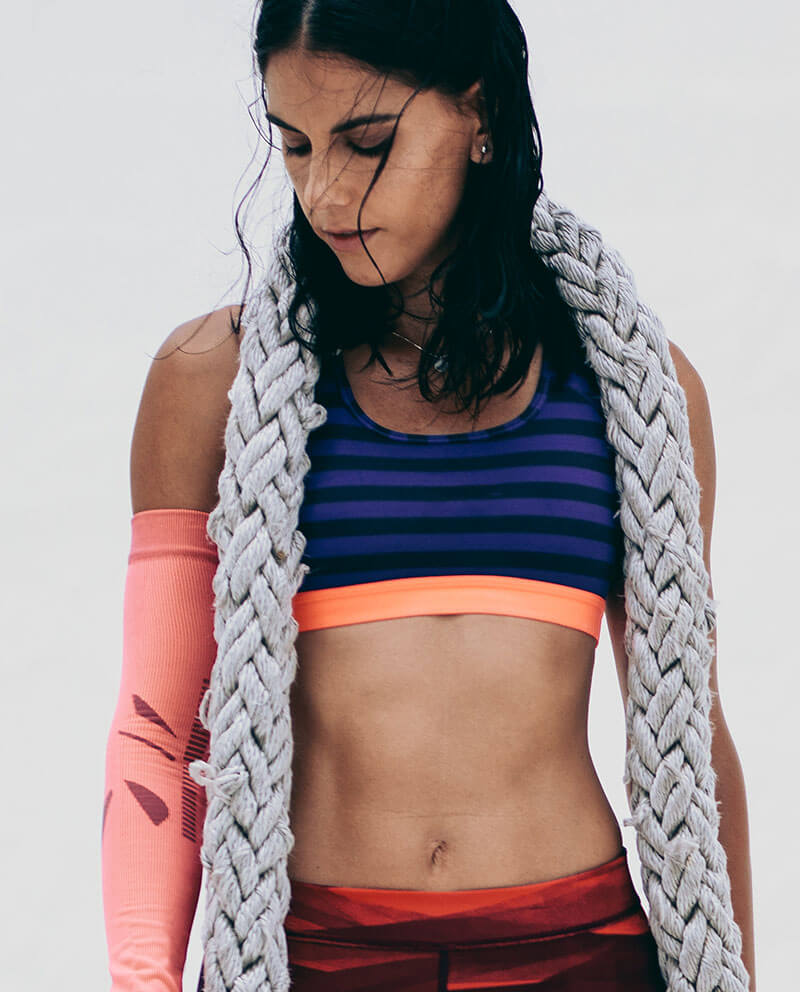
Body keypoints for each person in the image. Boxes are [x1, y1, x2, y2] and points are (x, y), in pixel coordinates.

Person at [101, 2, 756, 991]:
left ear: (477, 114)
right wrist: (141, 976)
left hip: (583, 951)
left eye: (367, 142)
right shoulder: (210, 382)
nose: (324, 192)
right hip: (317, 956)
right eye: (294, 145)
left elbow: (690, 738)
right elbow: (159, 733)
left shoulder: (635, 393)